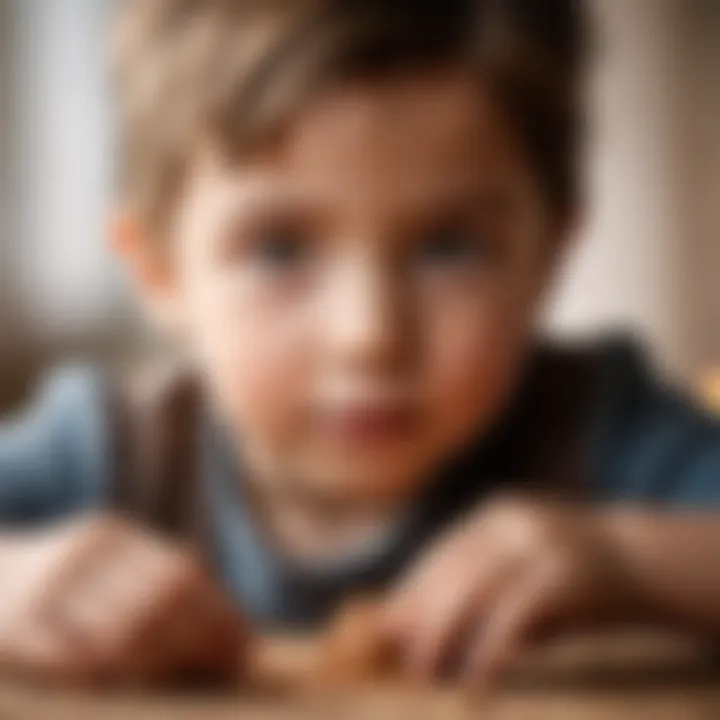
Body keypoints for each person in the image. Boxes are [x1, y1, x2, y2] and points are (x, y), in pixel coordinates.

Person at [0, 0, 719, 690]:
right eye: (279, 250)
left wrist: (631, 560)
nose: (370, 335)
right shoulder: (110, 452)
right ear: (156, 269)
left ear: (550, 255)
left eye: (449, 247)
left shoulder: (604, 429)